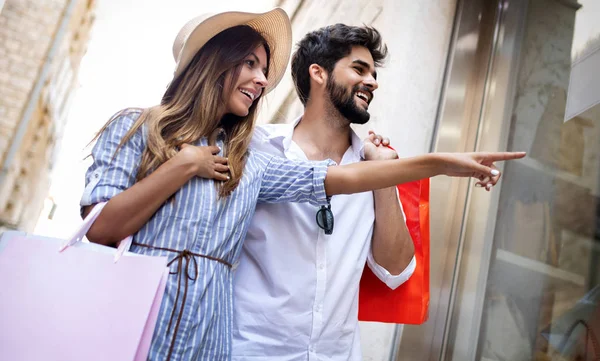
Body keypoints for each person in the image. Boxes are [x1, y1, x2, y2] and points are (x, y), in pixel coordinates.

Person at [80, 9, 524, 361]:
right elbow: (98, 229)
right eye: (250, 64)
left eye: (263, 69)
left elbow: (343, 183)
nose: (260, 80)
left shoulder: (248, 164)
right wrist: (183, 165)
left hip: (216, 342)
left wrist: (439, 163)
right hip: (170, 328)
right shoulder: (243, 148)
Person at [231, 24, 503, 360]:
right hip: (247, 350)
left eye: (374, 73)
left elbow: (395, 270)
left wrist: (382, 176)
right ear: (318, 73)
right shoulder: (254, 149)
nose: (373, 82)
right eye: (359, 69)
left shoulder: (376, 163)